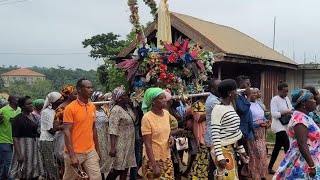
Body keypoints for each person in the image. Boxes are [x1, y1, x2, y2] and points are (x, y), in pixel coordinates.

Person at [273, 89, 320, 179]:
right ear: (303, 103)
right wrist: (311, 166)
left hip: (309, 159)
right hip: (303, 162)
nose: (314, 101)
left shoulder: (305, 116)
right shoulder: (299, 118)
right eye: (311, 98)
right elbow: (302, 144)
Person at [63, 79, 101, 180]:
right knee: (69, 178)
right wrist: (72, 156)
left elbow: (93, 128)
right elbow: (66, 132)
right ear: (79, 89)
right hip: (75, 152)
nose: (91, 90)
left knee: (96, 177)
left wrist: (97, 149)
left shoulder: (92, 106)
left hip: (90, 151)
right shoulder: (70, 108)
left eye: (91, 87)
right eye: (88, 87)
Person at [211, 79, 248, 179]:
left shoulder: (230, 107)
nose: (237, 93)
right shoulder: (218, 109)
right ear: (229, 92)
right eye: (235, 90)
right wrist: (220, 156)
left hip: (231, 149)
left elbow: (234, 131)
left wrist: (241, 149)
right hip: (223, 150)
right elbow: (215, 134)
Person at [141, 87, 174, 179]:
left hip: (166, 157)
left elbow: (165, 130)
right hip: (152, 160)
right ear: (153, 101)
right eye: (161, 98)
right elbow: (147, 144)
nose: (165, 100)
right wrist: (154, 165)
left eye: (165, 97)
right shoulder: (147, 118)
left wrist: (170, 137)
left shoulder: (166, 114)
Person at [106, 86, 136, 180]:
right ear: (119, 98)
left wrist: (133, 106)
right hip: (120, 143)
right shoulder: (116, 110)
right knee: (117, 169)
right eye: (125, 95)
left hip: (129, 143)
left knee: (126, 167)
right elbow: (112, 129)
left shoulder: (127, 108)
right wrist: (113, 147)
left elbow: (135, 120)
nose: (127, 97)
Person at [10, 96, 44, 179]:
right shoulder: (17, 119)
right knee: (24, 172)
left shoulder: (34, 117)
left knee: (35, 171)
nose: (31, 105)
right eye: (28, 104)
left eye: (31, 103)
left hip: (34, 147)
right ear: (22, 106)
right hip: (23, 147)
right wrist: (19, 154)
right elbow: (15, 138)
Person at [241, 88, 268, 180]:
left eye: (256, 93)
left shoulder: (258, 103)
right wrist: (257, 124)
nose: (254, 95)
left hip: (261, 132)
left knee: (263, 153)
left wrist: (266, 121)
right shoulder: (247, 105)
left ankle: (262, 174)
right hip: (252, 131)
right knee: (256, 154)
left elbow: (262, 116)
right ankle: (254, 174)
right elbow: (248, 120)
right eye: (252, 93)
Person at [53, 85, 77, 179]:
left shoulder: (77, 106)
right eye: (75, 93)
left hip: (77, 137)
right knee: (67, 164)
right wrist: (70, 125)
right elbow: (56, 126)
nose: (78, 95)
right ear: (69, 95)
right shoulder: (61, 108)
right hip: (64, 139)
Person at [268, 82, 293, 174]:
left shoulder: (287, 99)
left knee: (277, 148)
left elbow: (291, 110)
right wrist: (287, 111)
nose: (286, 93)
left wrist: (289, 111)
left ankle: (270, 167)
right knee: (287, 145)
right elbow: (274, 114)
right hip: (278, 126)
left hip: (286, 125)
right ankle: (289, 168)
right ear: (279, 91)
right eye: (284, 91)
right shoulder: (275, 99)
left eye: (287, 91)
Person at [39, 92, 63, 180]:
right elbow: (51, 130)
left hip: (56, 139)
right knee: (51, 164)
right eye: (59, 99)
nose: (62, 100)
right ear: (54, 101)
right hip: (47, 141)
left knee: (58, 163)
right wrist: (65, 126)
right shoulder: (46, 112)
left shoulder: (59, 111)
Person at [188, 96, 210, 179]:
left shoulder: (216, 102)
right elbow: (199, 118)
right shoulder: (197, 104)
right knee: (202, 157)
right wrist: (213, 111)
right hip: (202, 135)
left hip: (211, 134)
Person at [0, 95, 21, 180]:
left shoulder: (20, 110)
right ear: (11, 101)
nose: (19, 100)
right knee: (9, 162)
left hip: (16, 140)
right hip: (4, 140)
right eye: (17, 99)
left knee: (8, 164)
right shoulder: (3, 110)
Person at [90, 91, 109, 179]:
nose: (102, 100)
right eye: (100, 98)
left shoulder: (103, 110)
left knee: (104, 157)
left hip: (105, 135)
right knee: (98, 157)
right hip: (97, 135)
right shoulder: (92, 110)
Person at [204, 78, 220, 180]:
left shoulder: (217, 99)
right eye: (220, 86)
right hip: (214, 138)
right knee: (215, 166)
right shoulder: (213, 101)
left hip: (216, 137)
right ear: (213, 90)